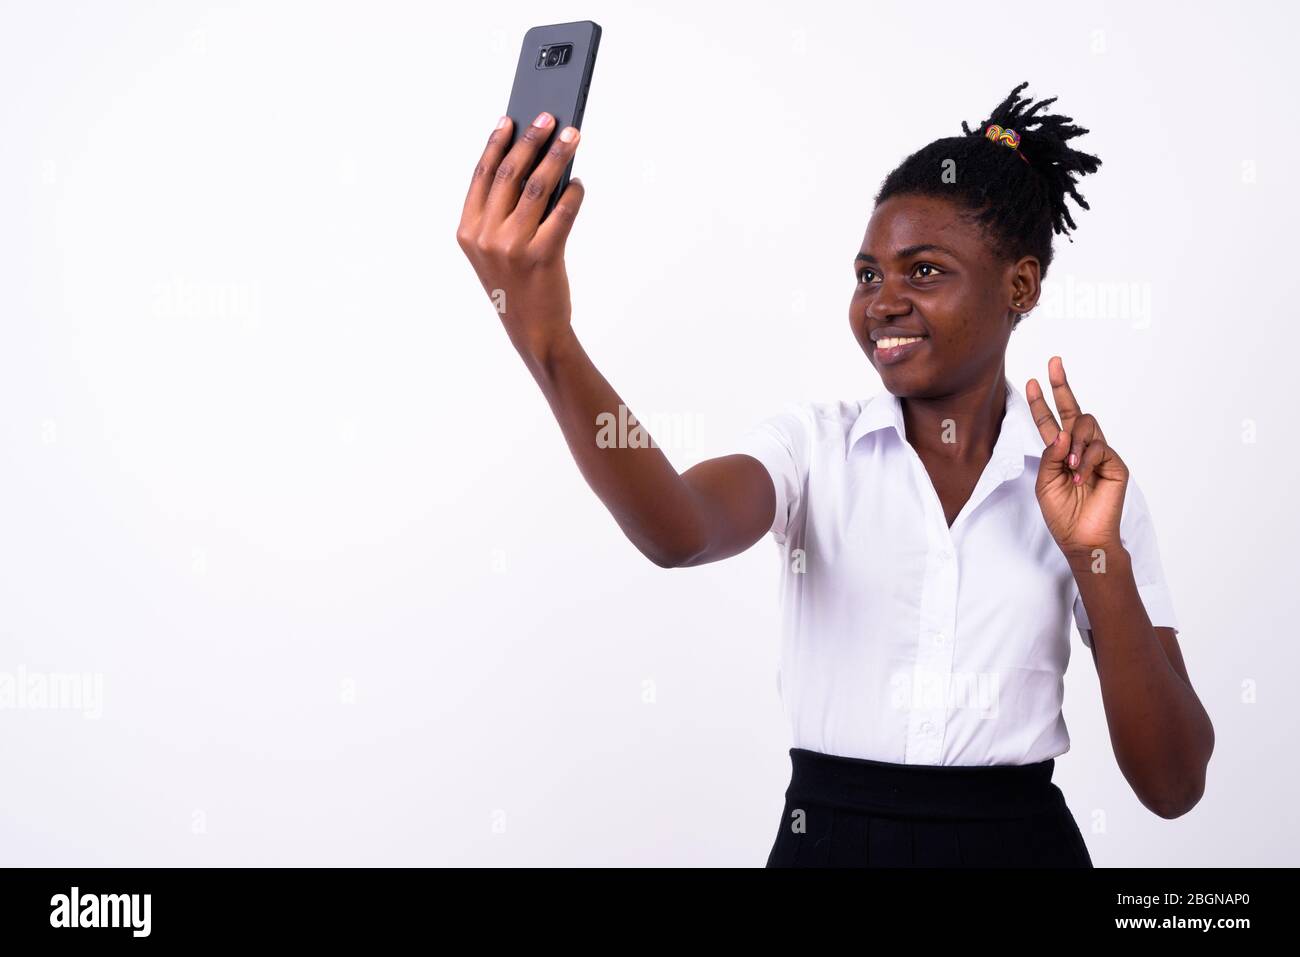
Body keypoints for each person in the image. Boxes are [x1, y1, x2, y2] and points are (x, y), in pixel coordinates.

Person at [455, 81, 1214, 867]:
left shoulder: (1089, 491)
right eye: (867, 275)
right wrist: (551, 344)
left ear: (1018, 286)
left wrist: (1097, 555)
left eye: (924, 271)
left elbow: (1173, 783)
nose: (883, 301)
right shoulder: (810, 448)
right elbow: (679, 530)